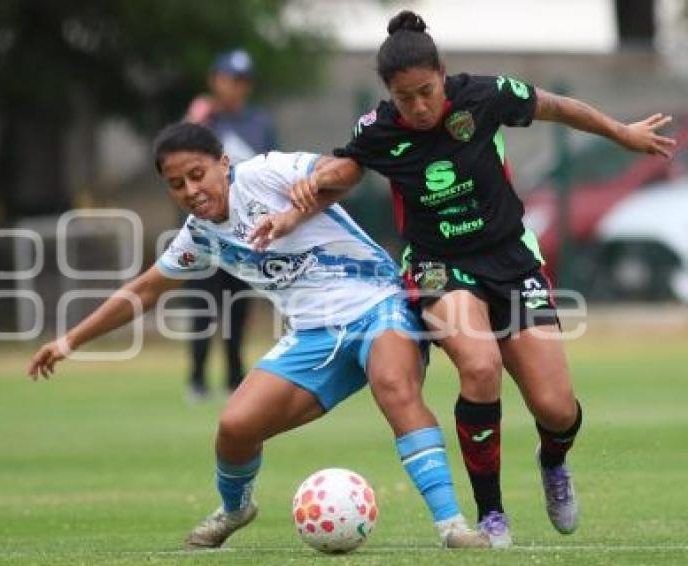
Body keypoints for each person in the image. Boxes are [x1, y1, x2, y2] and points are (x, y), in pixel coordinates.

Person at [255, 10, 677, 548]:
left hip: (510, 260)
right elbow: (345, 172)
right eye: (406, 98)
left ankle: (553, 463)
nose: (420, 106)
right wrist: (293, 213)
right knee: (480, 365)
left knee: (555, 407)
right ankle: (492, 513)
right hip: (437, 266)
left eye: (427, 92)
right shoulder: (379, 129)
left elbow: (557, 106)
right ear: (390, 93)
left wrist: (621, 133)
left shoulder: (483, 96)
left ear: (443, 74)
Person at [27, 122, 488, 549]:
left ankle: (452, 526)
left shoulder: (265, 173)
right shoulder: (200, 237)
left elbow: (347, 171)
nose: (190, 190)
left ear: (223, 164)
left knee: (394, 386)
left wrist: (306, 193)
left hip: (379, 302)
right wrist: (68, 342)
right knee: (235, 427)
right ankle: (235, 509)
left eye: (197, 174)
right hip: (313, 335)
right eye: (176, 184)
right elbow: (144, 290)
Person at [182, 49, 278, 400]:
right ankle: (196, 379)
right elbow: (177, 160)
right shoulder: (204, 120)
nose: (235, 87)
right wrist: (193, 120)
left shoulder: (259, 123)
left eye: (242, 81)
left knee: (238, 310)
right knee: (202, 308)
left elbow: (271, 172)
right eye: (229, 79)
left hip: (245, 234)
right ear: (215, 80)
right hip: (206, 234)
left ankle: (235, 379)